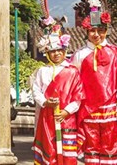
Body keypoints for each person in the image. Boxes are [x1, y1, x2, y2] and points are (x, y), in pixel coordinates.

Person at [70, 0, 117, 164]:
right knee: (91, 145)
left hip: (109, 106)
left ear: (106, 31)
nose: (96, 34)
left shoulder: (114, 52)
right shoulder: (80, 55)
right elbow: (73, 82)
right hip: (88, 108)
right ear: (86, 31)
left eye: (100, 31)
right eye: (92, 31)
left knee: (110, 144)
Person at [32, 23, 84, 165]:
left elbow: (78, 97)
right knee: (50, 151)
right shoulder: (43, 71)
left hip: (67, 118)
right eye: (53, 51)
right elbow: (36, 90)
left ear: (64, 51)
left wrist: (66, 112)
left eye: (59, 50)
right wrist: (45, 102)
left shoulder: (72, 71)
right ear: (47, 53)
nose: (56, 54)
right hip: (47, 116)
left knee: (67, 154)